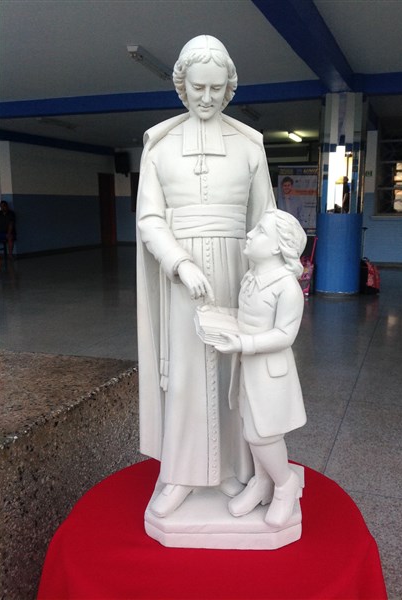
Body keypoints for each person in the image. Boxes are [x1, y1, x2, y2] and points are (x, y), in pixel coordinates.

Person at [137, 35, 275, 518]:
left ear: (229, 87)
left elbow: (266, 220)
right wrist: (179, 261)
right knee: (186, 377)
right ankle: (181, 473)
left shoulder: (250, 146)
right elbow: (149, 219)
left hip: (239, 272)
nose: (207, 97)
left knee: (236, 374)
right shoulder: (159, 147)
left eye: (217, 88)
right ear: (183, 85)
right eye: (198, 87)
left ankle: (233, 467)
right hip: (183, 280)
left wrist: (271, 281)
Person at [213, 209, 307, 527]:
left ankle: (284, 483)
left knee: (262, 434)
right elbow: (245, 317)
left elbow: (285, 335)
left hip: (270, 373)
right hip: (247, 369)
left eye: (261, 231)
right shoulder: (251, 278)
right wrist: (219, 319)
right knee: (250, 426)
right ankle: (261, 481)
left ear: (279, 246)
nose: (250, 234)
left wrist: (244, 343)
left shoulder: (287, 288)